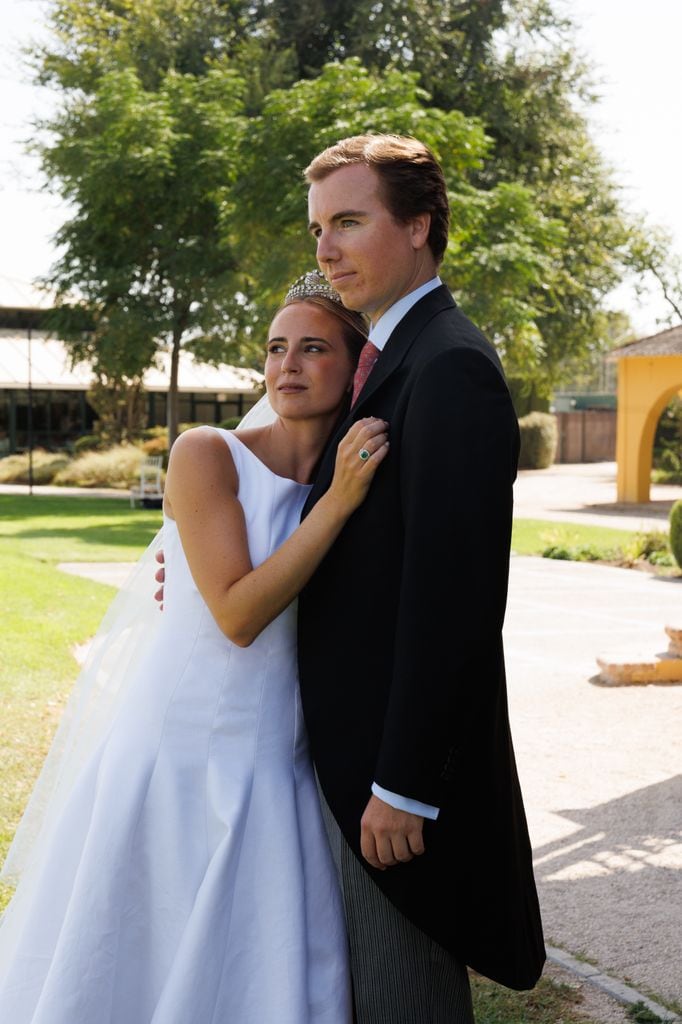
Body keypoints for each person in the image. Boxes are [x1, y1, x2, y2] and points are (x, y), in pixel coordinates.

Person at [0, 275, 389, 1023]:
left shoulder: (358, 473)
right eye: (276, 349)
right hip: (180, 745)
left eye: (313, 348)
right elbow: (237, 616)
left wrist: (340, 494)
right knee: (131, 951)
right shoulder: (207, 452)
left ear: (357, 367)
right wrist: (339, 501)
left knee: (259, 960)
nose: (287, 367)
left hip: (280, 753)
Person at [292, 134, 546, 1022]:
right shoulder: (385, 359)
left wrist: (404, 784)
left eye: (349, 222)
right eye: (319, 228)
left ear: (419, 226)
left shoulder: (450, 368)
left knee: (405, 1001)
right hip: (348, 763)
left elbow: (457, 601)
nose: (325, 251)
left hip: (390, 790)